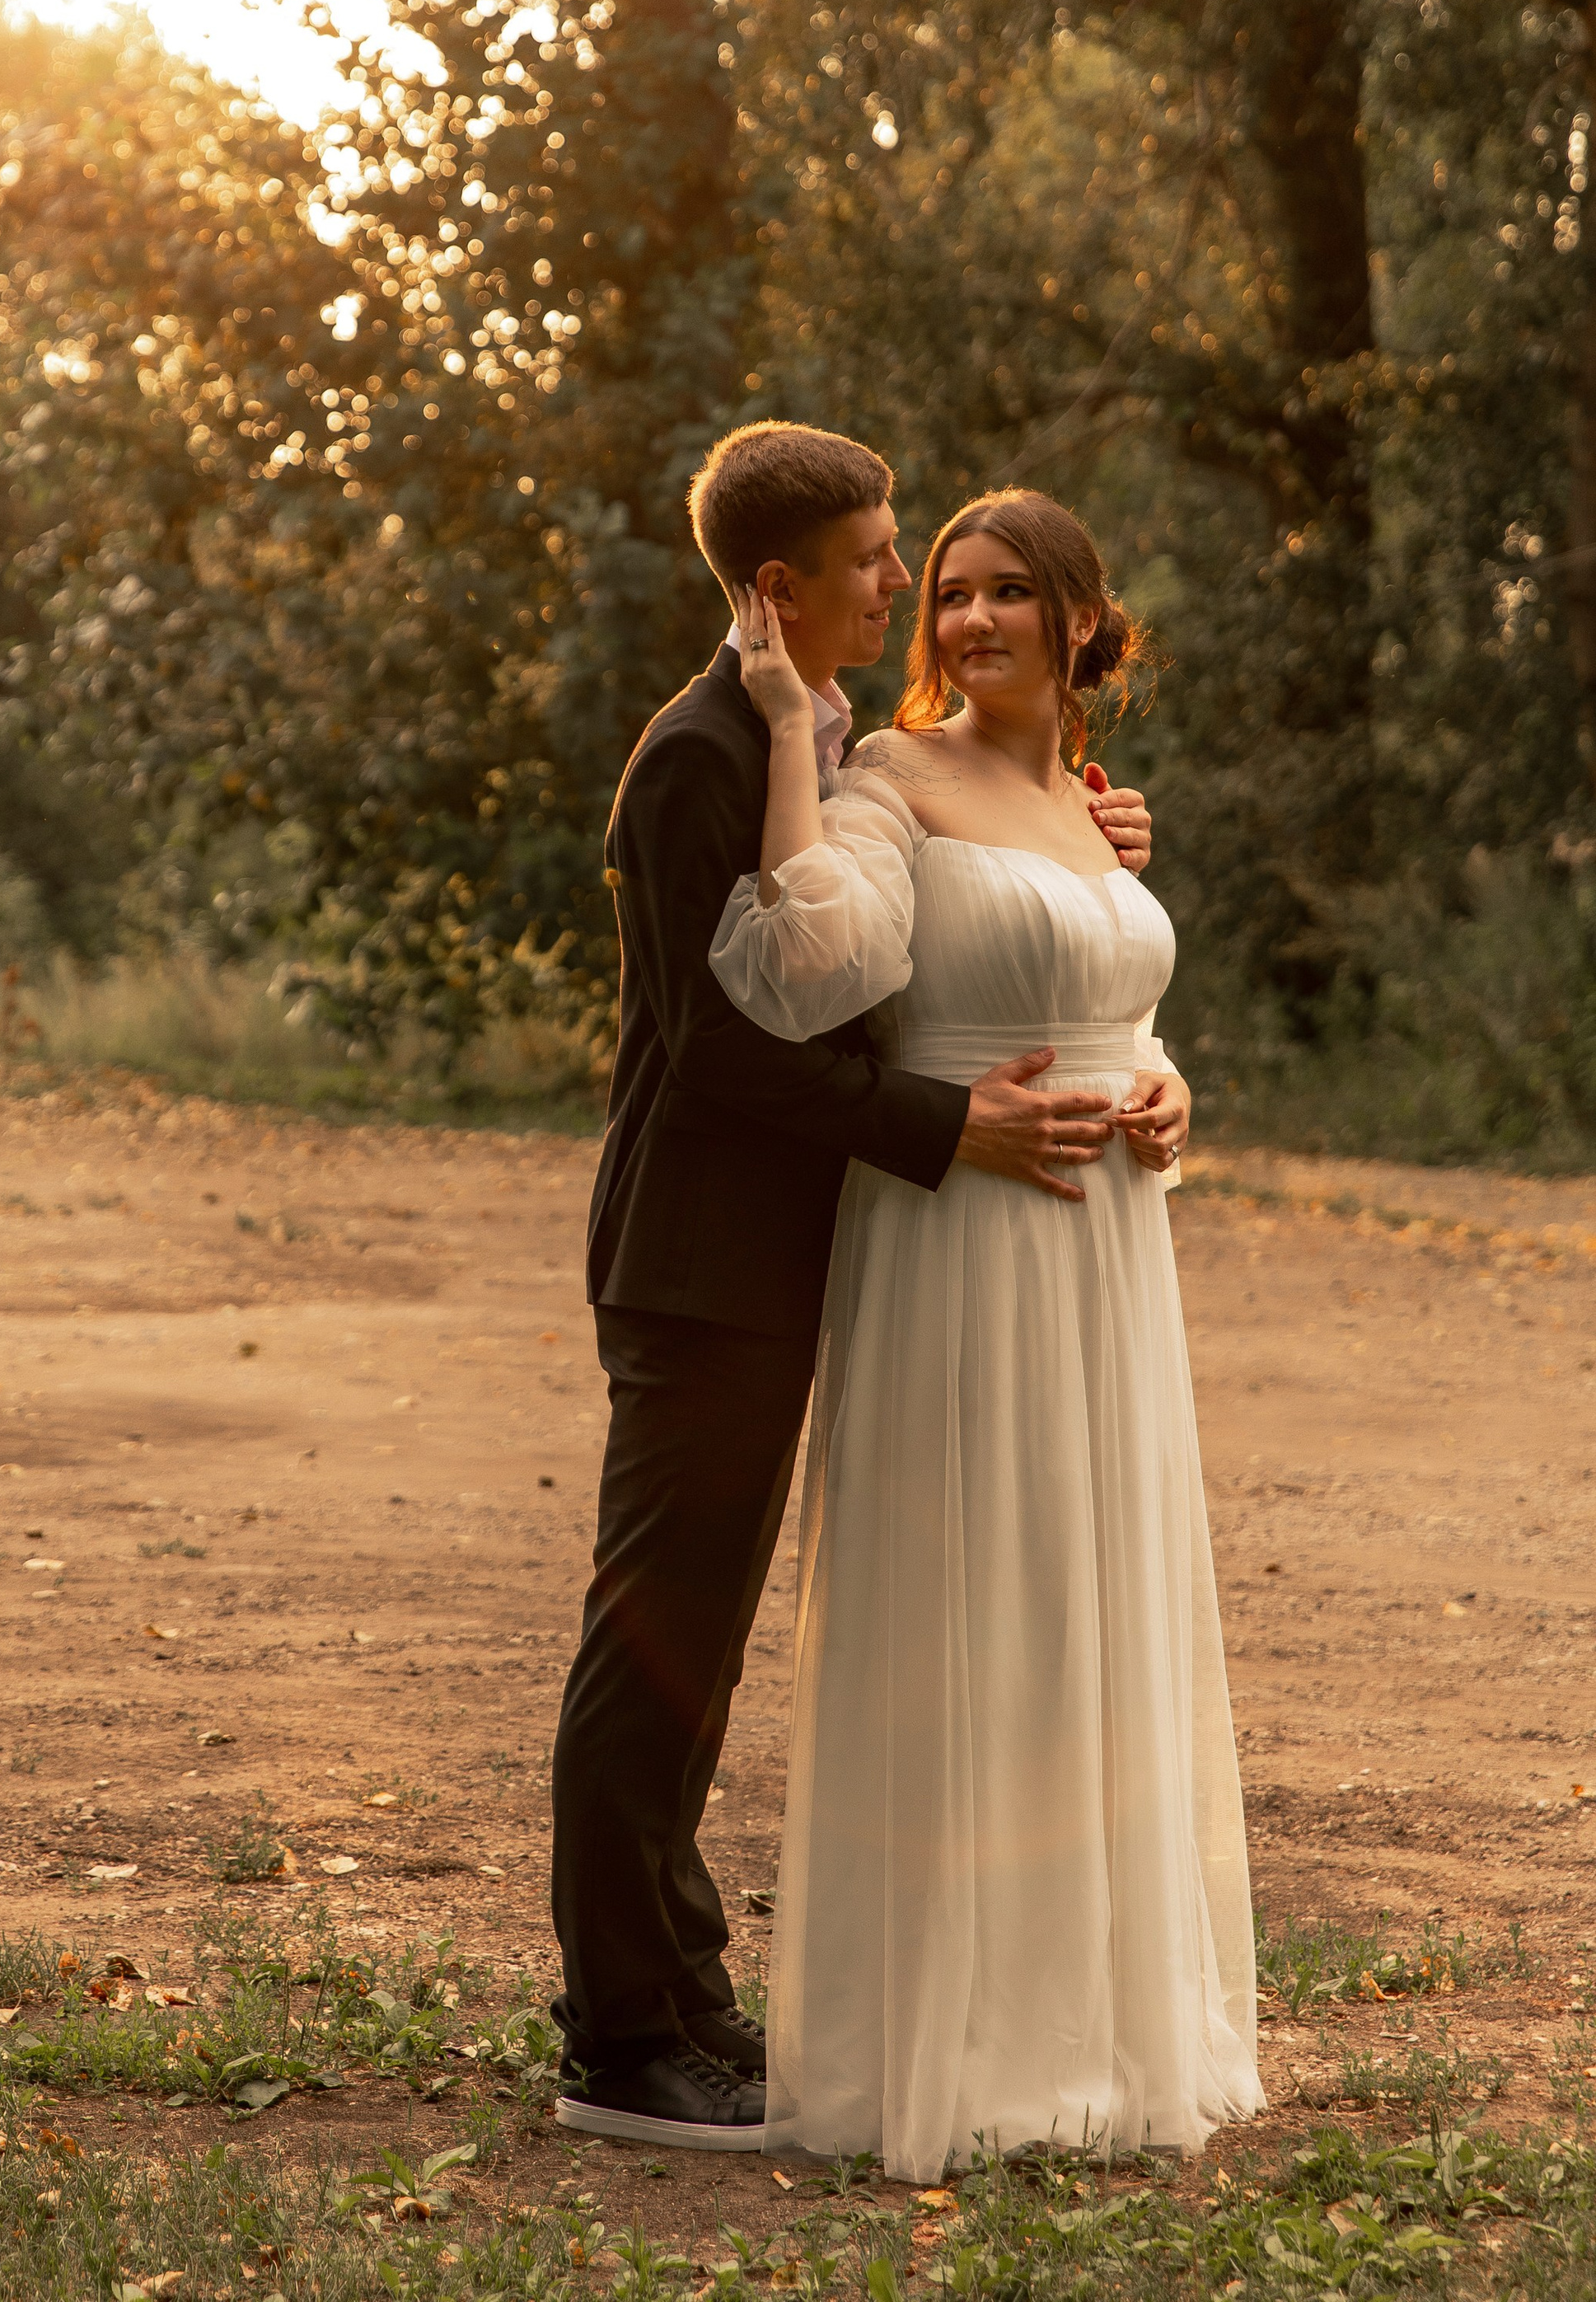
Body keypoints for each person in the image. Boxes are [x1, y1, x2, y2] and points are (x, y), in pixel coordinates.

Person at [550, 425, 1154, 2150]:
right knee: (652, 1650)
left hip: (796, 1253)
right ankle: (615, 2037)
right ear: (777, 586)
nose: (900, 588)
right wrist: (939, 1124)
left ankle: (679, 1994)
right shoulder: (688, 754)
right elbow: (717, 1049)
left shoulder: (808, 728)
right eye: (883, 559)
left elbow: (891, 922)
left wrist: (1074, 848)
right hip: (700, 1264)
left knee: (703, 1652)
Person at [712, 486, 1260, 2173]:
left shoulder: (1096, 810)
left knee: (1089, 1607)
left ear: (1078, 620)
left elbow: (1124, 1014)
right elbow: (800, 964)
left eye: (1006, 593)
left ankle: (1091, 2022)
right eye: (944, 592)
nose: (963, 622)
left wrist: (1163, 1095)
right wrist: (788, 734)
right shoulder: (889, 780)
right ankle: (952, 2035)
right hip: (959, 1240)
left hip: (1103, 1258)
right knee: (975, 1603)